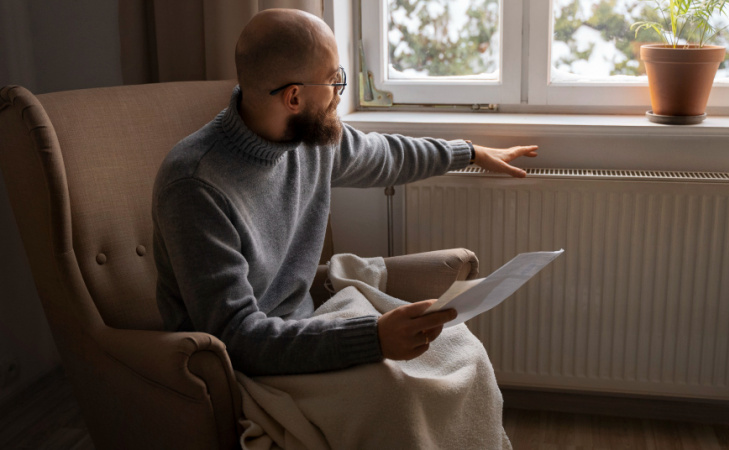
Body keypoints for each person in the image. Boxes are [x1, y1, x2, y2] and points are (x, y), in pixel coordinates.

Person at [152, 8, 538, 377]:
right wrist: (372, 339)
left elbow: (387, 155)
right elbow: (235, 337)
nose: (339, 92)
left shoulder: (308, 139)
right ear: (294, 98)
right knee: (405, 391)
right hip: (244, 368)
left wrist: (468, 152)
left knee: (460, 354)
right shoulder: (195, 186)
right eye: (334, 79)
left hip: (306, 327)